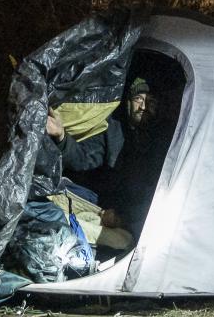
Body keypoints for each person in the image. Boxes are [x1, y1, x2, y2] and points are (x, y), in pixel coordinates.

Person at [45, 77, 161, 247]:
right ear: (128, 102)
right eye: (138, 99)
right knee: (123, 242)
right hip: (93, 201)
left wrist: (123, 215)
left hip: (126, 211)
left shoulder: (158, 139)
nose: (143, 107)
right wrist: (61, 137)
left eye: (149, 102)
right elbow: (83, 158)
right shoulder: (111, 129)